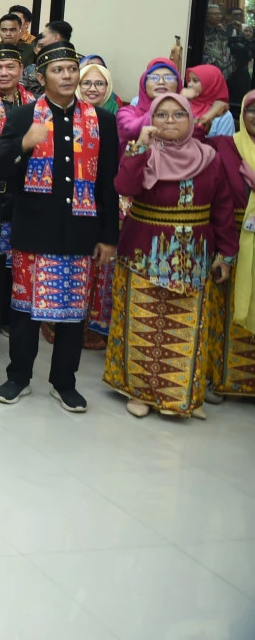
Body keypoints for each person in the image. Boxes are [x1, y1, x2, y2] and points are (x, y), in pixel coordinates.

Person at [0, 42, 120, 413]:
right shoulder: (23, 116)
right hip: (32, 229)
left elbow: (108, 182)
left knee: (73, 314)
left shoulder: (101, 121)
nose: (67, 76)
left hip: (81, 231)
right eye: (58, 70)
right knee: (24, 311)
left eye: (71, 70)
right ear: (42, 77)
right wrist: (24, 145)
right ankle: (18, 377)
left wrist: (109, 236)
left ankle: (65, 382)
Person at [102, 91, 238, 419]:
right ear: (151, 120)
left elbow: (222, 208)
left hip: (194, 259)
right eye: (161, 115)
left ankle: (180, 396)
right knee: (143, 322)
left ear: (191, 119)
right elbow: (124, 187)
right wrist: (140, 147)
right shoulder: (144, 152)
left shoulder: (209, 157)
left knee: (186, 325)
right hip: (143, 254)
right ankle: (140, 392)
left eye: (178, 115)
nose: (170, 121)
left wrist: (226, 254)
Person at [217, 93, 255, 401]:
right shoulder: (227, 147)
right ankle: (221, 380)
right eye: (252, 110)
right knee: (226, 310)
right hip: (232, 238)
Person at [117, 57, 181, 145]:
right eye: (154, 78)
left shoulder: (186, 114)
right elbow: (129, 130)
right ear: (144, 84)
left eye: (169, 78)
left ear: (178, 85)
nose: (161, 82)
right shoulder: (126, 113)